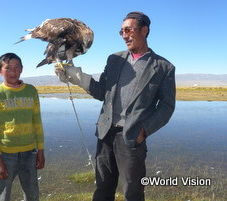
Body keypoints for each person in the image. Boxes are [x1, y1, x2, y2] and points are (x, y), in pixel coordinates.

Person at [55, 11, 176, 201]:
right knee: (102, 189)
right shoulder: (114, 59)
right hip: (105, 133)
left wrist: (144, 131)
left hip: (132, 136)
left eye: (128, 30)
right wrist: (78, 78)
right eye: (121, 32)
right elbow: (102, 92)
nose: (125, 35)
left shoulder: (163, 67)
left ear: (144, 30)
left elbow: (167, 107)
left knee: (133, 192)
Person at [0, 53, 45, 201]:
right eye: (8, 68)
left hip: (30, 153)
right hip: (6, 154)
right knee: (1, 196)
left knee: (32, 195)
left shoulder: (31, 91)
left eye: (17, 67)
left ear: (22, 69)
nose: (13, 71)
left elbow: (37, 122)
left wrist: (41, 151)